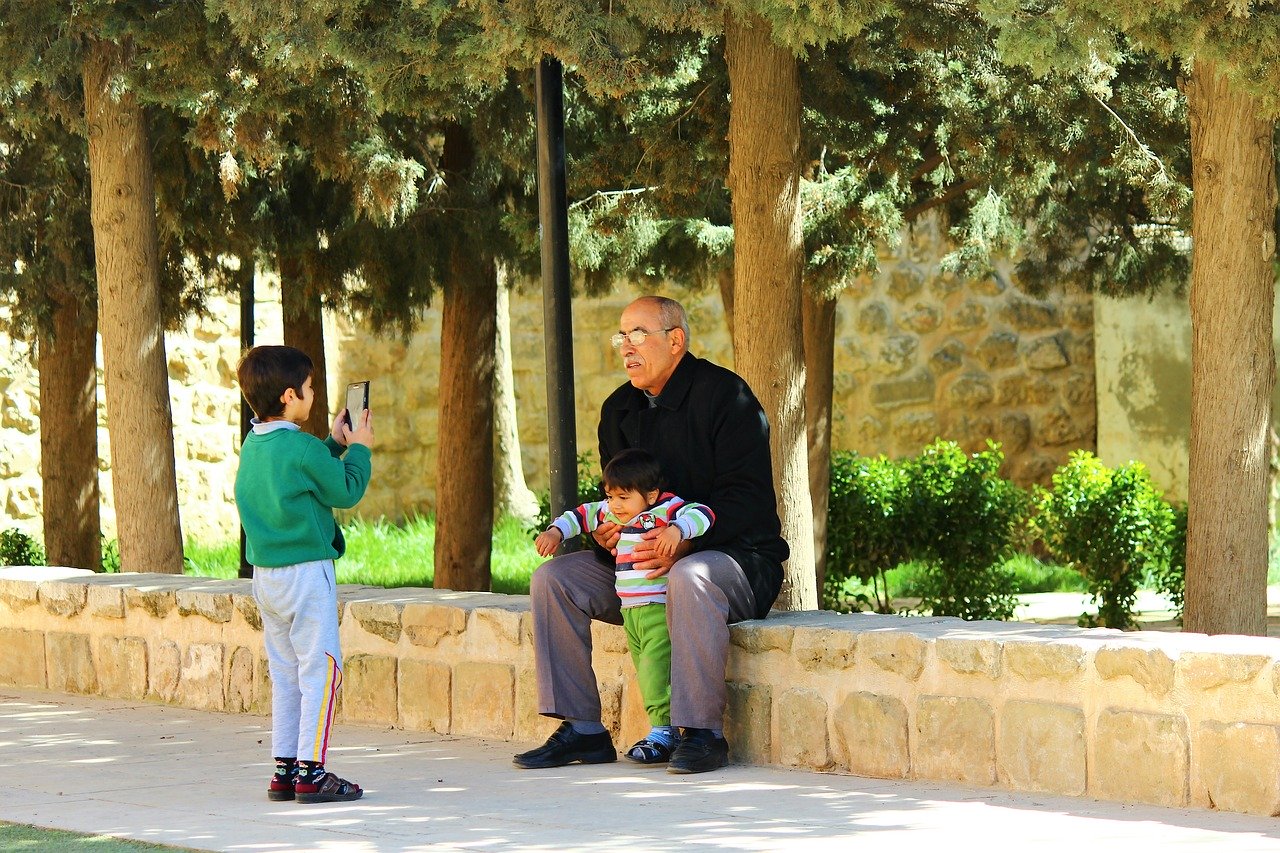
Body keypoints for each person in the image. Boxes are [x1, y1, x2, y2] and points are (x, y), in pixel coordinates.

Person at [515, 296, 789, 774]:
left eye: (638, 334)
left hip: (735, 560)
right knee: (554, 580)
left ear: (676, 340)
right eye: (622, 336)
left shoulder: (728, 398)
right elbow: (619, 497)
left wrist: (686, 542)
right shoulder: (619, 408)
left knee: (689, 575)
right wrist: (609, 530)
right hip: (639, 570)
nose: (626, 347)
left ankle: (699, 732)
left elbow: (749, 500)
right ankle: (582, 729)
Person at [234, 345, 374, 804]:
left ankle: (285, 767)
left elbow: (300, 476)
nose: (314, 394)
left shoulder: (254, 446)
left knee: (286, 671)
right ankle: (313, 772)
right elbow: (346, 488)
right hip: (307, 575)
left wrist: (334, 444)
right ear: (291, 395)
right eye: (311, 388)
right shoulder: (302, 447)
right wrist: (360, 451)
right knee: (322, 670)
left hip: (267, 578)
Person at [535, 448, 715, 764]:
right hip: (629, 612)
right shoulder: (613, 512)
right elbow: (580, 515)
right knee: (647, 670)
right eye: (610, 496)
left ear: (651, 494)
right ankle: (663, 731)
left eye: (623, 497)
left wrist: (677, 530)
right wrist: (554, 531)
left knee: (654, 673)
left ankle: (663, 732)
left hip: (656, 608)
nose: (615, 505)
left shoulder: (666, 510)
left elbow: (704, 514)